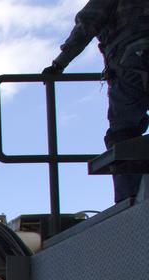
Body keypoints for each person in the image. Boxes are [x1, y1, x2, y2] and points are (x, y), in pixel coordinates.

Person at [45, 0, 149, 202]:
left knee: (123, 133)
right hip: (134, 59)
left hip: (132, 62)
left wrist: (59, 63)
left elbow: (87, 24)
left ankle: (129, 199)